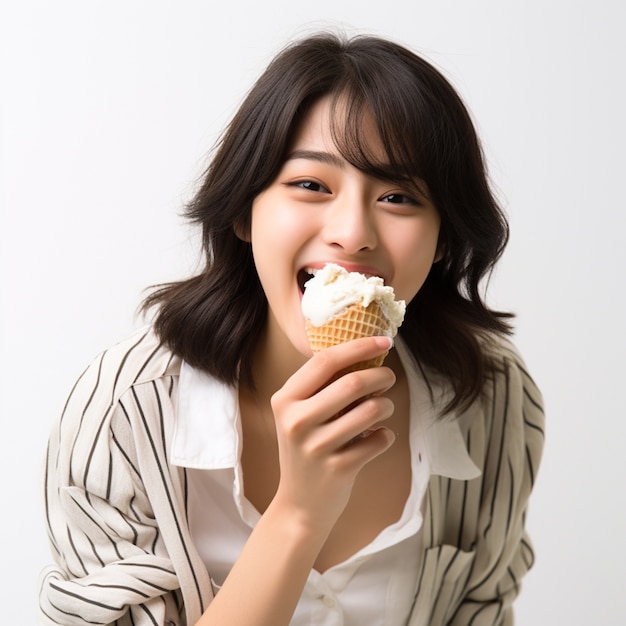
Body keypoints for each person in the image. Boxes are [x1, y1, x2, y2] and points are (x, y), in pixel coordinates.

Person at [38, 32, 545, 626]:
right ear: (242, 212)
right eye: (310, 185)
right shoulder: (122, 414)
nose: (353, 231)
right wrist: (300, 512)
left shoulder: (494, 397)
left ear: (443, 240)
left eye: (399, 196)